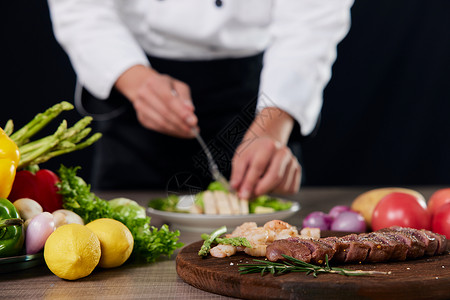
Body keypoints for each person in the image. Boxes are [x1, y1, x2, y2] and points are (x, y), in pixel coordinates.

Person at [47, 0, 353, 199]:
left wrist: (274, 122)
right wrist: (136, 79)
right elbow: (81, 8)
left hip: (259, 91)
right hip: (135, 84)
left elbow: (313, 19)